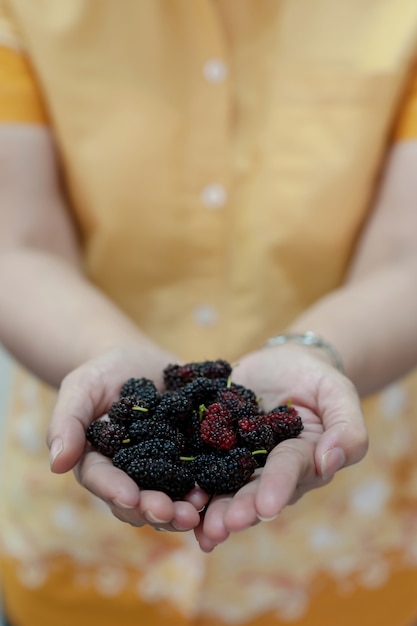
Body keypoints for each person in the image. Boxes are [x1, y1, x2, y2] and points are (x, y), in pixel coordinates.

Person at [1, 1, 417, 625]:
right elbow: (16, 241)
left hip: (346, 544)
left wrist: (316, 349)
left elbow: (407, 252)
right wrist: (102, 351)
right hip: (80, 554)